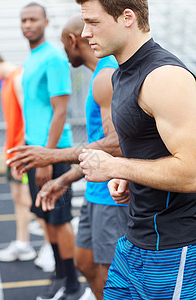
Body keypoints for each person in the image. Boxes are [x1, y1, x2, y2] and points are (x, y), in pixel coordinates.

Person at [74, 0, 196, 299]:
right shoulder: (121, 74)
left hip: (172, 248)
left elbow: (193, 172)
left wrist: (119, 167)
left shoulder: (163, 76)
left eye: (93, 22)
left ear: (127, 17)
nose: (85, 32)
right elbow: (155, 148)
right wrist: (132, 176)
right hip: (132, 242)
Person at [7, 14, 129, 300]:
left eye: (65, 44)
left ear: (72, 41)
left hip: (111, 195)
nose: (64, 50)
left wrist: (52, 156)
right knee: (84, 262)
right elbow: (99, 140)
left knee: (109, 273)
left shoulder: (107, 74)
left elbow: (116, 143)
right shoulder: (97, 74)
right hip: (92, 189)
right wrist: (64, 178)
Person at [18, 3, 83, 300]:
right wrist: (27, 147)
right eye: (23, 20)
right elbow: (35, 110)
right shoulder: (32, 57)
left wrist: (47, 155)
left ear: (46, 21)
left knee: (60, 220)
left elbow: (60, 111)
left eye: (33, 19)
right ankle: (60, 273)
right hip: (36, 151)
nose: (27, 24)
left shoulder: (55, 57)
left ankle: (71, 284)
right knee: (45, 217)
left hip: (53, 153)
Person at [0, 51, 36, 262]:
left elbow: (29, 120)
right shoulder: (5, 82)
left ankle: (51, 248)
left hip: (22, 152)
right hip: (13, 152)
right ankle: (23, 243)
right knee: (18, 198)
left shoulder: (19, 78)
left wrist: (20, 152)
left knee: (31, 201)